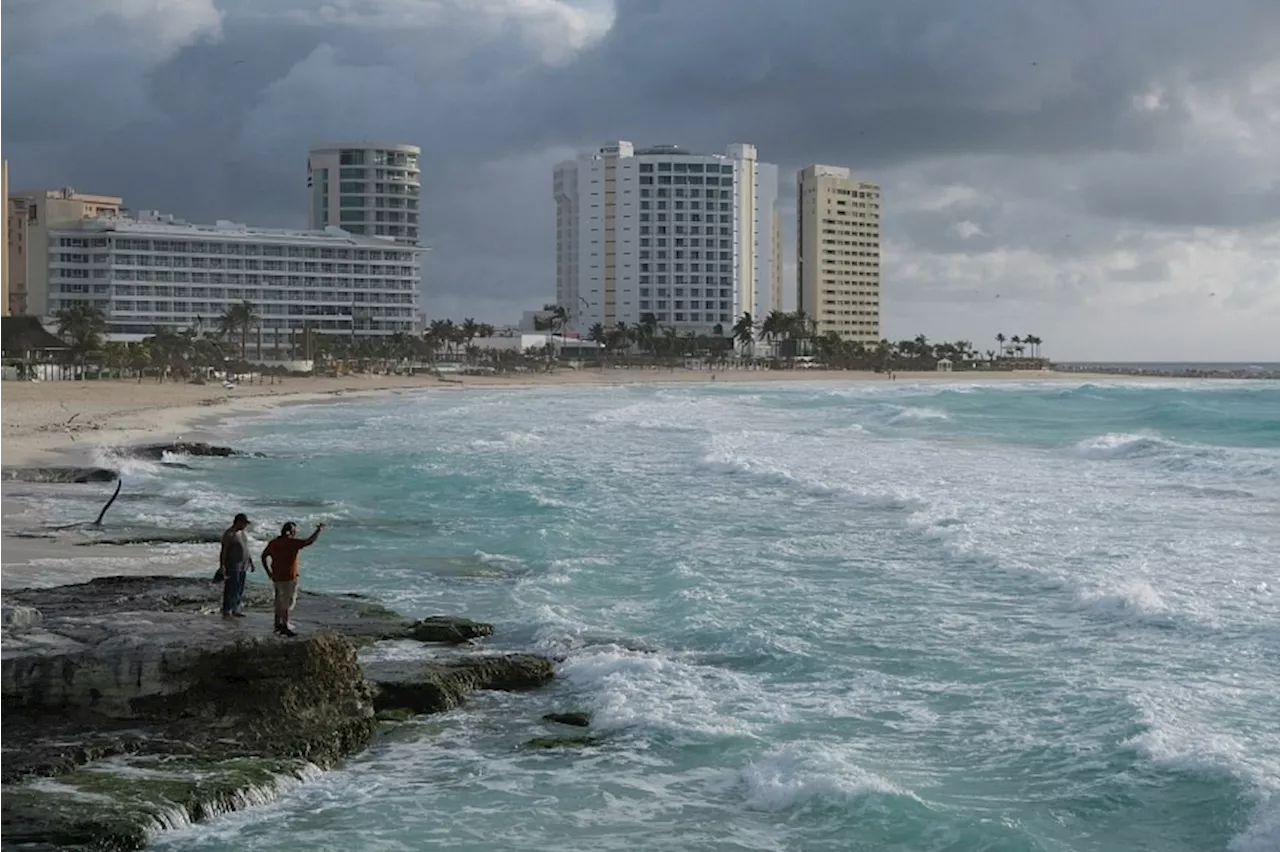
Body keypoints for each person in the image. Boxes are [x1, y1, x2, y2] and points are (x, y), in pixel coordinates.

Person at [261, 521, 325, 637]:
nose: (295, 533)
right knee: (287, 601)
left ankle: (277, 624)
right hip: (288, 577)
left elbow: (263, 556)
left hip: (276, 577)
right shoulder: (291, 543)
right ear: (290, 532)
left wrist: (268, 572)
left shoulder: (274, 543)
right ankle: (284, 625)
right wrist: (319, 530)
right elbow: (309, 541)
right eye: (294, 531)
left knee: (279, 601)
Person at [218, 513, 256, 618]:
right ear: (238, 522)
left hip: (243, 565)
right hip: (233, 566)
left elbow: (246, 548)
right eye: (244, 523)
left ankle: (236, 609)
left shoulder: (243, 533)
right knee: (231, 588)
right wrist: (222, 566)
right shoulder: (229, 534)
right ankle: (227, 610)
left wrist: (251, 562)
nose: (245, 525)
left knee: (239, 589)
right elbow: (223, 551)